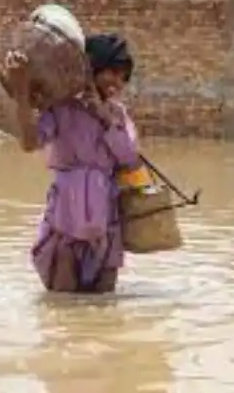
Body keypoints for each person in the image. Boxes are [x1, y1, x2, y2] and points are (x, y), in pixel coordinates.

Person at [8, 33, 144, 293]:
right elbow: (29, 143)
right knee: (63, 304)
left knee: (103, 305)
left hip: (106, 222)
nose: (118, 82)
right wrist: (22, 95)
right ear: (91, 70)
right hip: (65, 221)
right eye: (112, 73)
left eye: (123, 77)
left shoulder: (117, 115)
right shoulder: (61, 109)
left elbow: (130, 159)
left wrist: (104, 118)